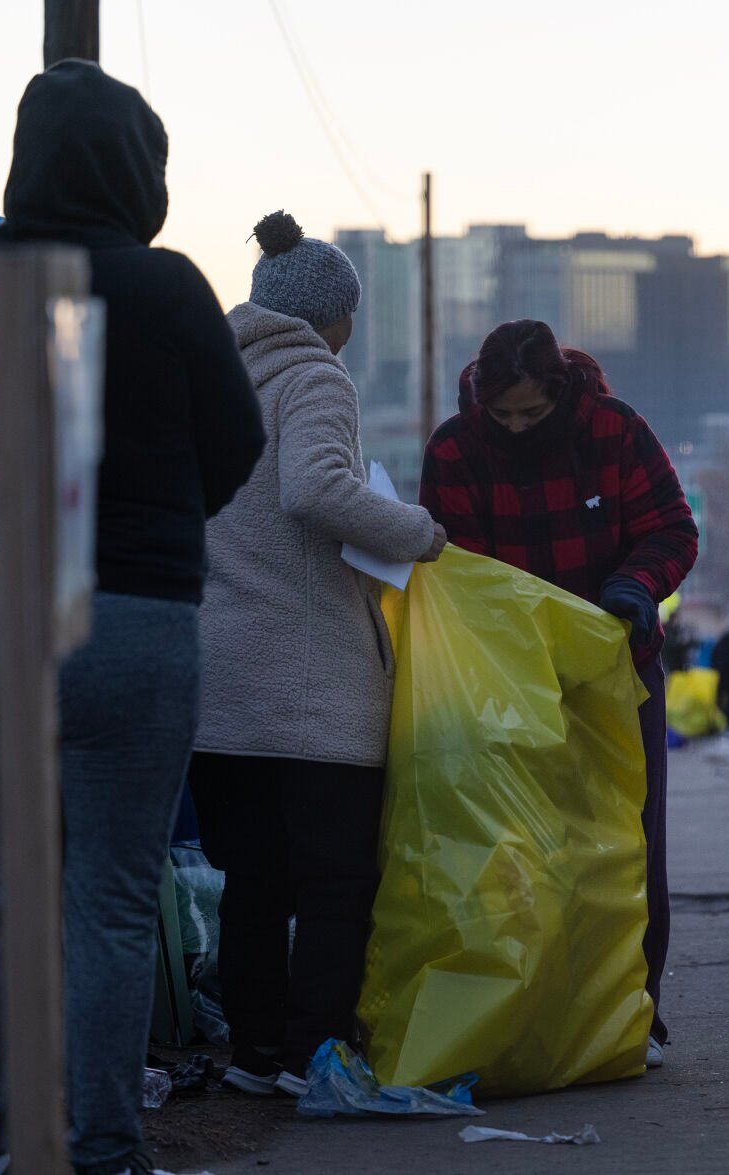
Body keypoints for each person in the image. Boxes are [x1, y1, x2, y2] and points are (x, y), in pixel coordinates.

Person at [0, 61, 265, 1175]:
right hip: (134, 613)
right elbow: (238, 445)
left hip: (3, 605)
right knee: (114, 902)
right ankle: (101, 1151)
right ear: (137, 166)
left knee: (11, 897)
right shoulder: (165, 287)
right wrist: (165, 514)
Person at [188, 212, 447, 1098]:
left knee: (250, 880)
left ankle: (257, 1057)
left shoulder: (207, 376)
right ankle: (313, 1058)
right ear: (332, 317)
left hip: (219, 683)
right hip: (309, 688)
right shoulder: (315, 376)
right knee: (337, 882)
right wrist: (416, 531)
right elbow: (317, 487)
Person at [419, 319, 697, 1068]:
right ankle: (536, 1014)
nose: (514, 428)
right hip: (507, 682)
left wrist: (635, 587)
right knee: (520, 852)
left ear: (561, 393)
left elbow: (672, 527)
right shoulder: (454, 448)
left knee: (628, 845)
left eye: (531, 415)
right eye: (502, 415)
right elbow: (458, 571)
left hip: (616, 671)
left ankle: (636, 1013)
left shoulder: (613, 429)